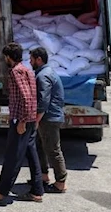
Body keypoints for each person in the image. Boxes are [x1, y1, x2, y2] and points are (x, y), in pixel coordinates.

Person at [0, 42, 44, 205]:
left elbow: (25, 97)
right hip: (28, 119)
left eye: (5, 57)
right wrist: (30, 120)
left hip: (21, 120)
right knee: (31, 154)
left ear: (9, 57)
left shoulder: (16, 72)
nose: (4, 60)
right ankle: (37, 191)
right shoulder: (27, 70)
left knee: (12, 158)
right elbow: (31, 96)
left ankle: (0, 193)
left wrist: (22, 121)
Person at [30, 47, 68, 193]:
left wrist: (36, 120)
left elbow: (43, 101)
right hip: (49, 117)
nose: (30, 62)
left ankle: (60, 183)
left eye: (31, 59)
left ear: (39, 59)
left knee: (52, 149)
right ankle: (44, 176)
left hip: (49, 118)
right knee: (41, 147)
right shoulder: (47, 72)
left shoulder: (43, 76)